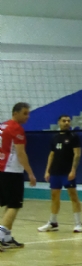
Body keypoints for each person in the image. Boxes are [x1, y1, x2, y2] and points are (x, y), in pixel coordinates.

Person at [37, 115, 82, 233]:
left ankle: (78, 223)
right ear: (59, 122)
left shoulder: (74, 137)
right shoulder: (55, 137)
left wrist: (73, 170)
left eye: (68, 121)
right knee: (54, 197)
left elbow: (77, 154)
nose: (66, 122)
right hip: (55, 172)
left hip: (67, 172)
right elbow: (52, 154)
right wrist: (47, 170)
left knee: (73, 196)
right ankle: (52, 222)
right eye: (64, 121)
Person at [0, 103, 36, 250]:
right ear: (15, 113)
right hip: (12, 171)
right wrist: (30, 173)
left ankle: (7, 238)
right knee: (15, 205)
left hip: (2, 169)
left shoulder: (3, 126)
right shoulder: (16, 128)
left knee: (9, 204)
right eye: (25, 113)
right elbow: (21, 154)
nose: (28, 116)